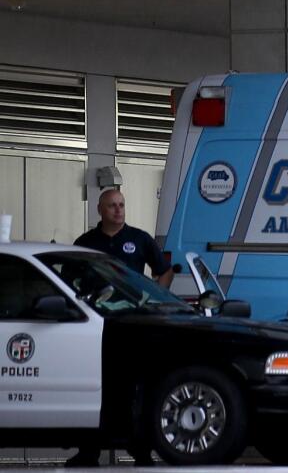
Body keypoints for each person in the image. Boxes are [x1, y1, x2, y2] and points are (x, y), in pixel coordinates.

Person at [66, 187, 170, 467]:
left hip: (134, 324)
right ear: (100, 210)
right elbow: (69, 279)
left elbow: (164, 270)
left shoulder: (139, 239)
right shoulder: (86, 242)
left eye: (122, 204)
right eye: (112, 205)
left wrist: (153, 299)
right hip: (96, 326)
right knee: (96, 387)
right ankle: (89, 451)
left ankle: (142, 451)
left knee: (137, 388)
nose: (118, 210)